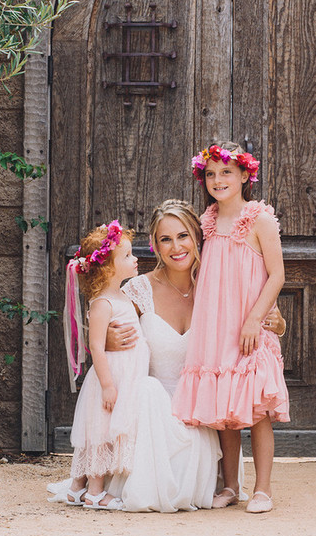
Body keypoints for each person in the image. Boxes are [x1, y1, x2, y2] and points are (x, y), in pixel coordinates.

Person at [49, 201, 285, 512]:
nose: (176, 247)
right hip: (148, 420)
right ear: (155, 246)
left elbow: (267, 319)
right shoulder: (138, 290)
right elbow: (102, 316)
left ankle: (230, 483)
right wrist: (106, 339)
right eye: (165, 239)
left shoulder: (216, 289)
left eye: (183, 236)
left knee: (196, 451)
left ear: (197, 240)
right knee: (148, 391)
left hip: (198, 416)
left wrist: (277, 323)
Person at [172, 142, 290, 513]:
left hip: (247, 325)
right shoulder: (206, 222)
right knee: (226, 407)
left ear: (244, 176)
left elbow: (277, 274)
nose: (218, 180)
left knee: (255, 410)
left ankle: (264, 489)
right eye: (210, 174)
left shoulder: (260, 220)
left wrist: (257, 318)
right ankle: (230, 486)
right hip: (216, 325)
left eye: (226, 172)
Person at [63, 220, 145, 509]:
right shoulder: (102, 303)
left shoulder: (122, 296)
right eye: (127, 256)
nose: (135, 259)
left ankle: (77, 488)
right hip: (109, 380)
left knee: (110, 430)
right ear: (108, 267)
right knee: (100, 432)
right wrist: (108, 385)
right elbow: (97, 345)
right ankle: (95, 492)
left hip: (125, 377)